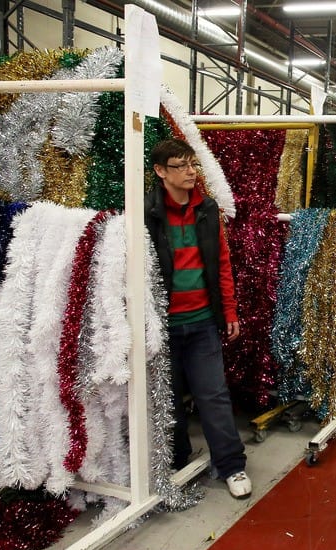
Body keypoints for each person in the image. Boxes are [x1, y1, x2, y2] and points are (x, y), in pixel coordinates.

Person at [145, 138, 251, 499]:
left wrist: (229, 310)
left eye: (193, 164)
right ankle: (176, 461)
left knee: (213, 394)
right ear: (160, 171)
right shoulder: (146, 213)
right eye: (181, 165)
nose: (191, 172)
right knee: (168, 397)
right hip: (162, 325)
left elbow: (222, 263)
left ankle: (231, 465)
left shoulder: (206, 209)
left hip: (203, 320)